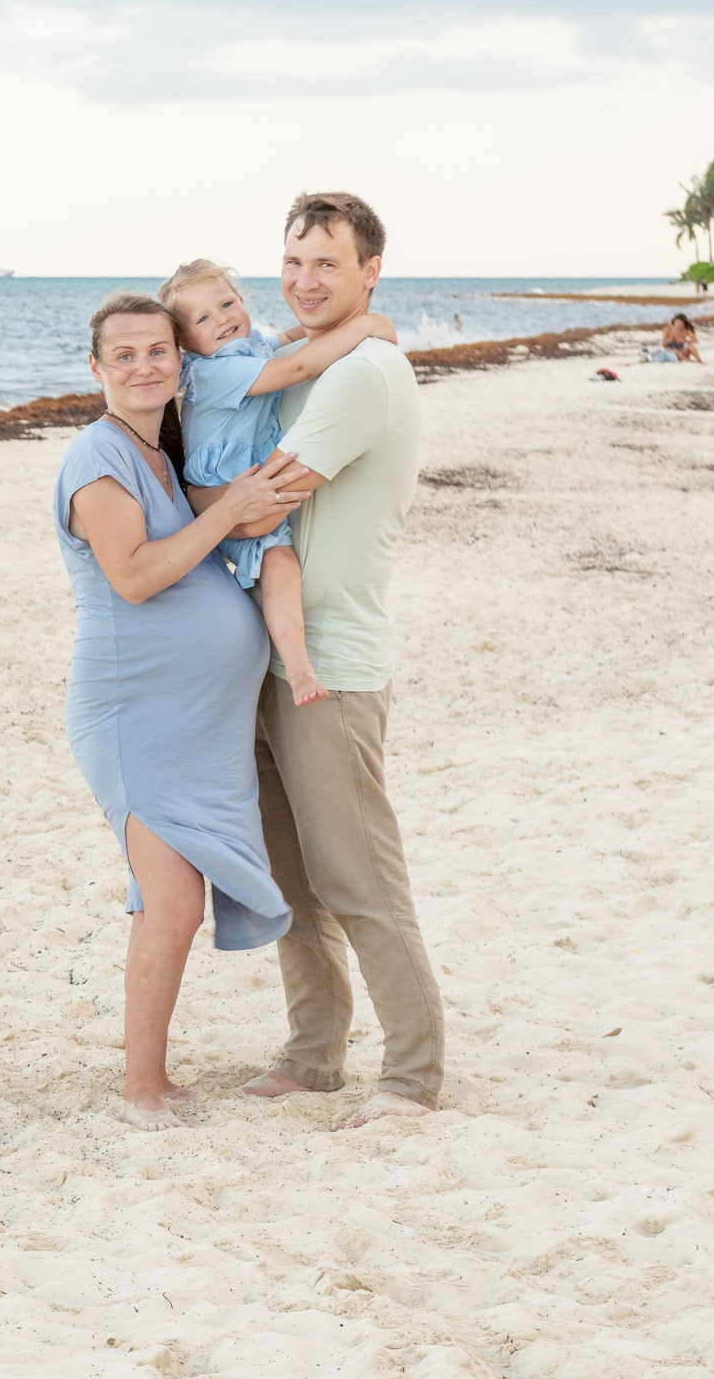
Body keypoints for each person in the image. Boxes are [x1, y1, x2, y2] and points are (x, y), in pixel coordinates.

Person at [190, 191, 443, 1129]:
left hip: (328, 660)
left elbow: (262, 503)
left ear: (370, 270)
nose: (303, 282)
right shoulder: (294, 368)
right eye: (292, 263)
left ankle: (414, 1076)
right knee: (291, 876)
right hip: (264, 652)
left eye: (326, 265)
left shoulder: (362, 373)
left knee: (358, 875)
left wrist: (183, 497)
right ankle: (313, 1054)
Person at [52, 294, 305, 1130]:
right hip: (137, 715)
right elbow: (133, 575)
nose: (143, 367)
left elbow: (223, 523)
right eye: (123, 355)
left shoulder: (164, 448)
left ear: (180, 359)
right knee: (172, 902)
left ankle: (151, 1078)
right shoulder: (98, 459)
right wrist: (233, 510)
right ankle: (140, 1092)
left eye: (158, 351)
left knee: (170, 900)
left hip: (194, 720)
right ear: (96, 369)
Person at [157, 259, 399, 708]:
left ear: (242, 300)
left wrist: (318, 328)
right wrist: (365, 327)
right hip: (228, 486)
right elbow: (296, 368)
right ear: (185, 342)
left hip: (240, 477)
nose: (223, 318)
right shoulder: (214, 372)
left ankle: (280, 661)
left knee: (276, 571)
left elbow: (288, 341)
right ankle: (300, 667)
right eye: (204, 318)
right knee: (281, 567)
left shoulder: (247, 346)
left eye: (227, 303)